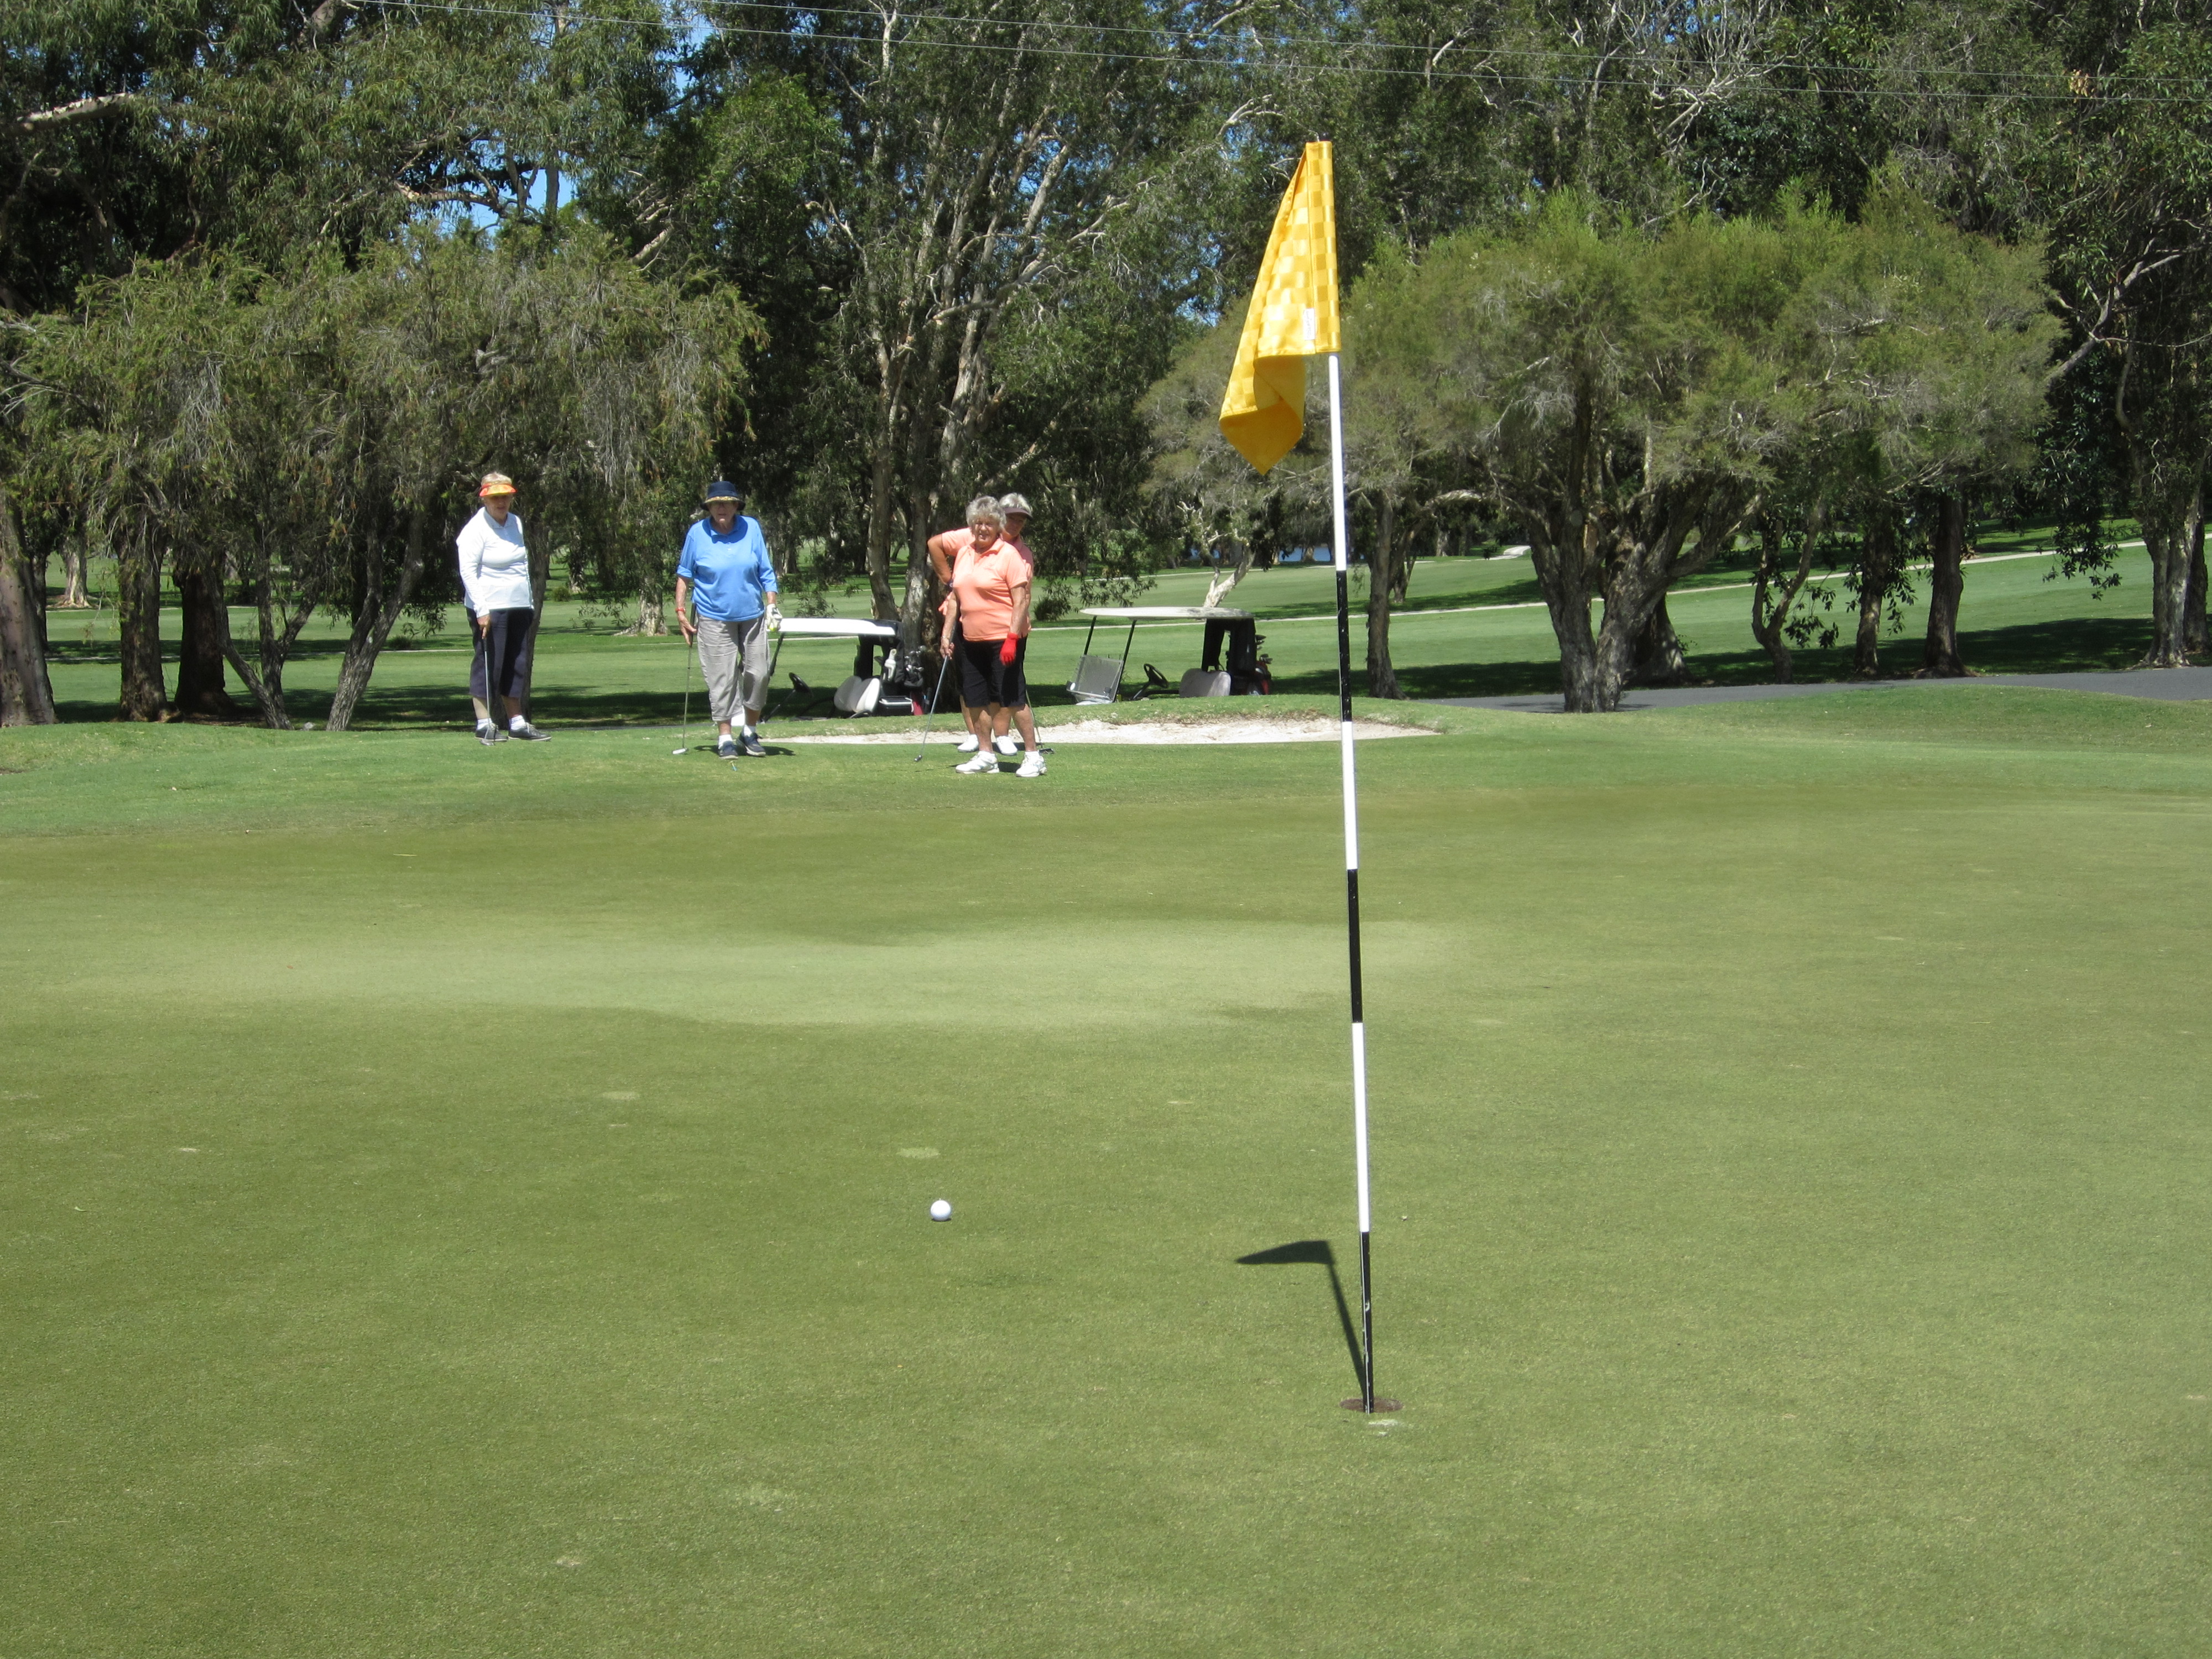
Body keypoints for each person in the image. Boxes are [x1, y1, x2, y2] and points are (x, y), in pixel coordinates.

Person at [940, 495, 1044, 777]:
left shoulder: (1009, 555)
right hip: (971, 639)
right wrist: (947, 635)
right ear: (971, 525)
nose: (982, 528)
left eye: (988, 523)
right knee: (976, 699)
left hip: (1003, 639)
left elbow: (1020, 600)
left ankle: (1033, 757)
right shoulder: (964, 554)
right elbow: (955, 599)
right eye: (978, 523)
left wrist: (1012, 638)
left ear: (998, 526)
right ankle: (986, 754)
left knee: (1013, 698)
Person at [676, 479, 781, 758]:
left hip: (753, 615)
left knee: (759, 673)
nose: (721, 508)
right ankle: (725, 738)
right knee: (722, 678)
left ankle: (749, 732)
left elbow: (766, 571)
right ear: (709, 508)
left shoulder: (752, 528)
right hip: (713, 617)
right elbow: (684, 575)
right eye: (716, 504)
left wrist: (772, 603)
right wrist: (680, 612)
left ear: (736, 506)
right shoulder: (697, 533)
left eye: (727, 503)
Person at [457, 471, 549, 743]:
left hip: (518, 604)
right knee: (489, 663)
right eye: (495, 497)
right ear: (485, 499)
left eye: (505, 497)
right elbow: (468, 571)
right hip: (490, 606)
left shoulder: (515, 522)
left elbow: (521, 565)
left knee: (516, 663)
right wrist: (481, 609)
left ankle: (517, 722)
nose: (501, 502)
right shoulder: (475, 529)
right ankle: (484, 723)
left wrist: (528, 603)